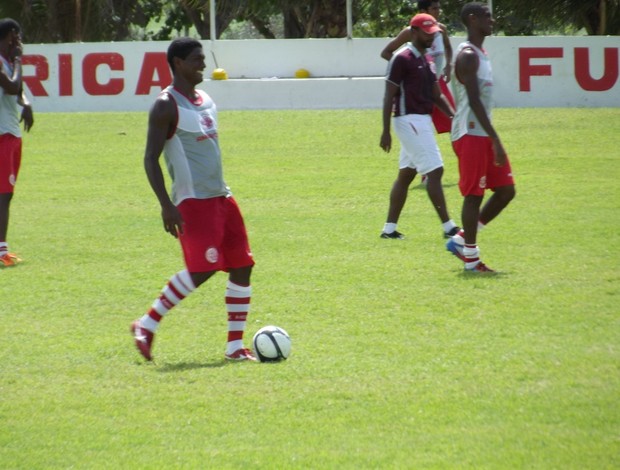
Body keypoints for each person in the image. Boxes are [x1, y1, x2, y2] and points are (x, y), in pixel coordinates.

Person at [131, 38, 256, 362]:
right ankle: (146, 324)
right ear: (178, 63)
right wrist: (166, 205)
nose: (204, 65)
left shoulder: (207, 100)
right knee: (202, 269)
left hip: (222, 197)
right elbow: (150, 158)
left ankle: (234, 347)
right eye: (197, 59)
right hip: (192, 201)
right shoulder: (165, 105)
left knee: (242, 266)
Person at [446, 2, 516, 273]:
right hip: (469, 132)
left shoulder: (480, 53)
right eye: (487, 16)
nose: (492, 20)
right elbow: (474, 101)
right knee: (474, 194)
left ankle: (462, 239)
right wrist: (495, 139)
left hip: (481, 132)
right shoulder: (467, 56)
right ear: (472, 20)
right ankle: (472, 262)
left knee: (506, 191)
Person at [379, 14, 459, 240]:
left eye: (433, 32)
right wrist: (385, 131)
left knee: (406, 175)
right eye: (427, 32)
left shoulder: (428, 59)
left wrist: (453, 117)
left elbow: (436, 95)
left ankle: (389, 229)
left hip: (421, 119)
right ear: (413, 32)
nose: (432, 36)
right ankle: (449, 227)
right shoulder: (401, 58)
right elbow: (388, 96)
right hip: (409, 119)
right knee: (435, 170)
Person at [381, 1, 455, 136]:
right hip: (419, 86)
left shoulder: (441, 29)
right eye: (434, 8)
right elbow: (386, 52)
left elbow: (448, 47)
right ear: (423, 11)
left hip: (436, 82)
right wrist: (410, 70)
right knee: (418, 120)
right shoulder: (411, 32)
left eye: (439, 8)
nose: (438, 11)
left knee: (452, 122)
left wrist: (449, 65)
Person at [0, 18, 33, 268]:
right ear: (10, 35)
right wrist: (20, 61)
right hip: (2, 136)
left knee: (6, 194)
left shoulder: (8, 63)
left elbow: (17, 89)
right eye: (17, 37)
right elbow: (11, 85)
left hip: (11, 135)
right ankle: (2, 251)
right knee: (3, 194)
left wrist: (27, 103)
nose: (19, 42)